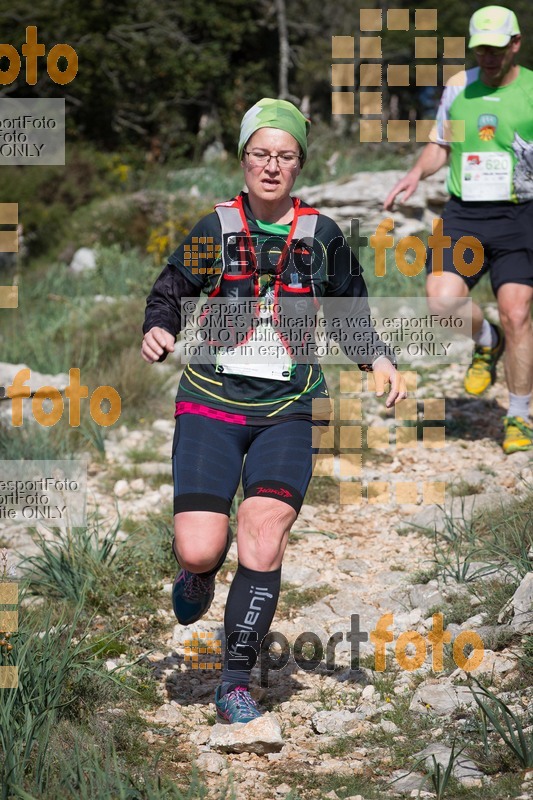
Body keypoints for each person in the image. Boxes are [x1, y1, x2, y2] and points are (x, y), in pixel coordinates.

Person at [142, 98, 407, 724]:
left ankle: (234, 678)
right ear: (243, 159)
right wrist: (159, 327)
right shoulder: (218, 228)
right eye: (261, 154)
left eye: (284, 156)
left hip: (288, 406)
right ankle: (199, 574)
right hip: (210, 401)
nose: (271, 166)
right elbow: (172, 286)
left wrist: (377, 360)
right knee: (202, 547)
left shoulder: (321, 235)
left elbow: (350, 307)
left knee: (264, 535)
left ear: (299, 165)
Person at [384, 5, 533, 455]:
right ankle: (488, 343)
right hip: (464, 213)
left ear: (515, 44)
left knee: (518, 312)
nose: (488, 56)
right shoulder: (457, 88)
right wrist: (416, 173)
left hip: (518, 214)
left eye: (496, 47)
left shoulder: (531, 89)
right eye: (479, 48)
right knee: (441, 300)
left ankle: (519, 416)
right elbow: (440, 146)